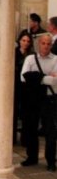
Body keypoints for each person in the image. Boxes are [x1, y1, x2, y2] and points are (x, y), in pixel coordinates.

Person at [20, 33, 57, 171]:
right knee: (31, 127)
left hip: (49, 99)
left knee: (50, 131)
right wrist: (46, 77)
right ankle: (32, 157)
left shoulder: (56, 59)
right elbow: (23, 77)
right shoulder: (30, 59)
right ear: (38, 44)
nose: (46, 46)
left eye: (48, 44)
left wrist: (35, 77)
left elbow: (54, 81)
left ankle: (51, 161)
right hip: (33, 98)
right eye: (43, 43)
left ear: (51, 45)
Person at [15, 33, 33, 146]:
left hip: (26, 87)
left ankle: (25, 139)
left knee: (26, 113)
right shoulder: (14, 53)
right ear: (19, 41)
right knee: (14, 111)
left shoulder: (31, 55)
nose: (25, 43)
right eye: (23, 40)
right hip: (15, 85)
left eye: (28, 41)